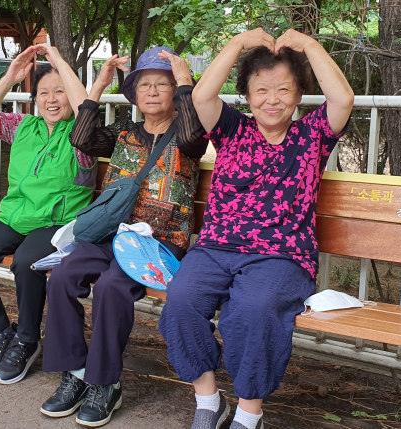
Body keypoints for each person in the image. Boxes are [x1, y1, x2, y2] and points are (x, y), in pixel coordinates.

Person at [158, 28, 354, 429]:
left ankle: (249, 415)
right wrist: (235, 44)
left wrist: (311, 46)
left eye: (284, 89)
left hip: (281, 255)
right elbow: (201, 97)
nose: (272, 99)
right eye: (261, 90)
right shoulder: (232, 130)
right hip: (216, 247)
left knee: (253, 310)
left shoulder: (312, 136)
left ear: (299, 95)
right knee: (180, 300)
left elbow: (343, 98)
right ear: (247, 97)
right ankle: (209, 401)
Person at [38, 46, 209, 427]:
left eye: (161, 85)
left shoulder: (186, 136)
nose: (152, 92)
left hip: (159, 239)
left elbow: (196, 135)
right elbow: (81, 138)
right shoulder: (124, 134)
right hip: (111, 233)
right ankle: (76, 373)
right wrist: (98, 84)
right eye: (144, 85)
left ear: (175, 92)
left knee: (113, 287)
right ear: (133, 95)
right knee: (64, 276)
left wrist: (185, 82)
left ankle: (105, 382)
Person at [0, 44, 96, 385]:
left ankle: (27, 339)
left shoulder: (82, 136)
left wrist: (60, 63)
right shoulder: (23, 126)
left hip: (58, 224)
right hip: (16, 217)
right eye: (43, 93)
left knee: (25, 262)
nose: (52, 99)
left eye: (59, 92)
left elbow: (85, 109)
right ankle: (1, 332)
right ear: (34, 99)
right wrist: (10, 76)